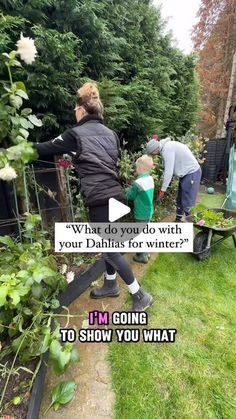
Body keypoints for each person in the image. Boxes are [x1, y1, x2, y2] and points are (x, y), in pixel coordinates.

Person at [34, 82, 154, 311]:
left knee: (110, 249)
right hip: (116, 197)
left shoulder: (75, 134)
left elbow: (45, 147)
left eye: (74, 111)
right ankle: (111, 284)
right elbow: (100, 160)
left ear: (80, 110)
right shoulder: (111, 134)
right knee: (109, 244)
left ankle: (140, 295)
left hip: (100, 199)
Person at [146, 137, 202, 221]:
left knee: (188, 202)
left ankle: (191, 225)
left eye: (152, 153)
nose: (153, 155)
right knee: (180, 199)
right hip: (185, 174)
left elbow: (169, 171)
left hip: (191, 173)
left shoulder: (167, 149)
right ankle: (178, 219)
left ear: (155, 149)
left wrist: (163, 190)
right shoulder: (166, 147)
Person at [126, 155, 154, 263]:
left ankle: (141, 256)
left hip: (141, 213)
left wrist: (127, 192)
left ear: (141, 168)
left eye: (137, 168)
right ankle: (146, 253)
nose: (136, 170)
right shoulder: (150, 179)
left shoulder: (138, 182)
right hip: (149, 211)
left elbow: (131, 196)